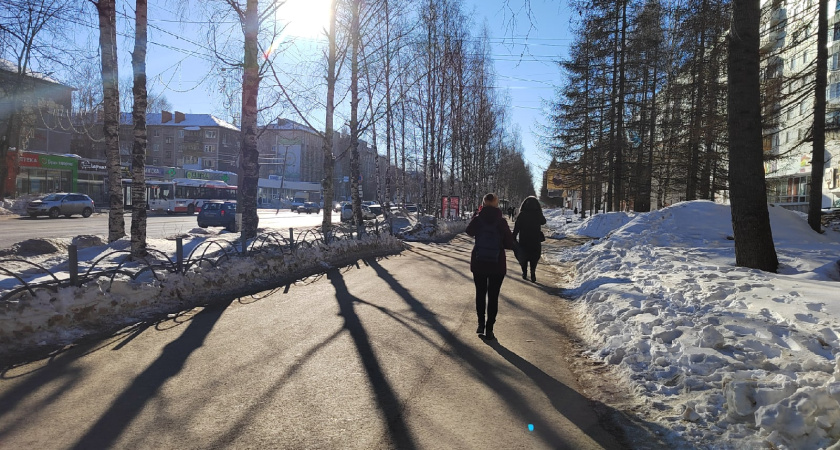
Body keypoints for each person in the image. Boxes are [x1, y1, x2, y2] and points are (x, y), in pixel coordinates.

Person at [466, 193, 514, 341]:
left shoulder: (478, 220)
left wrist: (477, 214)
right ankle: (490, 329)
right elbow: (510, 244)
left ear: (484, 203)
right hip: (497, 265)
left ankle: (480, 323)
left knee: (480, 293)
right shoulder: (501, 222)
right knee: (493, 296)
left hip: (479, 262)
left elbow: (469, 231)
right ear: (497, 204)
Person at [513, 196, 547, 283]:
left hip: (523, 240)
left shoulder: (522, 214)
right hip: (535, 240)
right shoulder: (537, 214)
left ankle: (524, 272)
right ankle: (533, 273)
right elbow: (543, 221)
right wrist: (539, 212)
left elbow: (516, 227)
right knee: (534, 258)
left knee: (523, 257)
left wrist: (513, 237)